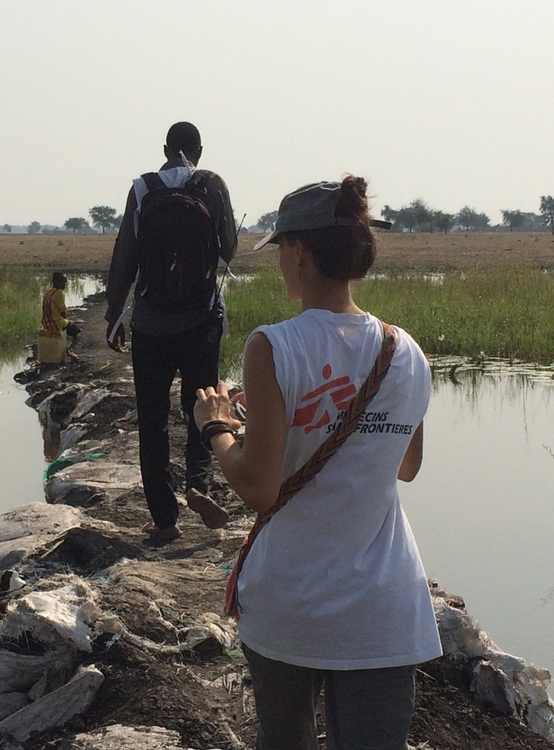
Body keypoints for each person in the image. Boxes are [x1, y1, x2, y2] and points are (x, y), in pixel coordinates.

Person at [193, 176, 441, 750]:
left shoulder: (274, 346)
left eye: (281, 250)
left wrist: (219, 428)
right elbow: (405, 464)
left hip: (292, 603)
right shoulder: (404, 351)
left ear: (299, 253)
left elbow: (258, 487)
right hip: (383, 605)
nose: (281, 263)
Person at [105, 121, 237, 541]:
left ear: (164, 148)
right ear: (200, 149)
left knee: (153, 420)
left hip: (149, 324)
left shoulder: (142, 189)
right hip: (201, 321)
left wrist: (114, 315)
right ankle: (198, 484)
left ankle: (164, 519)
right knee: (201, 405)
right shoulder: (213, 185)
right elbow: (229, 246)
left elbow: (124, 256)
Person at [37, 271, 80, 364]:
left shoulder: (47, 292)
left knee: (67, 326)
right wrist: (67, 321)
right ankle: (70, 351)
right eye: (63, 281)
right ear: (56, 281)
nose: (64, 284)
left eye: (65, 282)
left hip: (46, 324)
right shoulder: (59, 293)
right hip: (57, 323)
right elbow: (63, 313)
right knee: (77, 332)